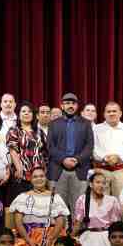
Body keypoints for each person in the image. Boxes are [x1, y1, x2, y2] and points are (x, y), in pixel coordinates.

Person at [47, 92, 94, 220]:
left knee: (78, 207)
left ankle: (76, 236)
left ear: (77, 106)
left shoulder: (86, 124)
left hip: (79, 169)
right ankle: (59, 236)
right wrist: (63, 159)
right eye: (67, 103)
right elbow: (50, 147)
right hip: (58, 170)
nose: (70, 106)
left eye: (73, 103)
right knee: (57, 207)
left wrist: (77, 159)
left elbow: (89, 146)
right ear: (62, 106)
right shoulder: (53, 124)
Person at [10, 167, 70, 246]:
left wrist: (50, 239)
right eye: (35, 177)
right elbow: (18, 222)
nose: (39, 179)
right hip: (28, 235)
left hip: (51, 235)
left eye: (41, 176)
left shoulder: (55, 197)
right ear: (30, 179)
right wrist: (29, 241)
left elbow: (60, 221)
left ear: (46, 178)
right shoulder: (23, 197)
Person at [72, 172, 123, 246]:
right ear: (91, 184)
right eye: (98, 182)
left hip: (107, 236)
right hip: (89, 237)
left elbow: (116, 224)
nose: (101, 185)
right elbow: (77, 223)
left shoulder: (112, 200)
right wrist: (71, 237)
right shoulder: (83, 199)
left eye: (103, 183)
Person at [92, 101, 123, 196]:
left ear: (120, 113)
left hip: (121, 170)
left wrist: (118, 157)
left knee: (122, 203)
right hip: (102, 170)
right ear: (104, 114)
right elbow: (93, 147)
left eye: (114, 111)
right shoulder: (96, 128)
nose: (111, 113)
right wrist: (105, 158)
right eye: (108, 111)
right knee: (101, 202)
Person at [6, 101, 48, 203]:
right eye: (23, 111)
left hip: (38, 175)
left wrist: (45, 170)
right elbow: (13, 150)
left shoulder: (39, 132)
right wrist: (18, 167)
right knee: (22, 204)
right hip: (21, 174)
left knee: (38, 203)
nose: (26, 113)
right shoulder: (14, 130)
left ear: (33, 115)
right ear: (19, 115)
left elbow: (44, 152)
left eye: (29, 111)